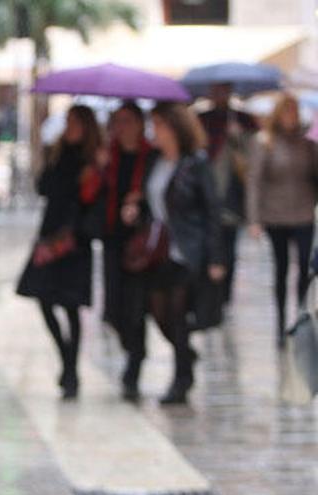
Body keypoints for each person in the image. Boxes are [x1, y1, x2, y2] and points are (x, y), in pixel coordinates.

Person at [122, 103, 225, 405]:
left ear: (174, 128)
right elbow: (152, 201)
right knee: (159, 311)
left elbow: (212, 212)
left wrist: (216, 258)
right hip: (157, 250)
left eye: (159, 125)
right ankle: (186, 357)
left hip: (186, 250)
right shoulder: (155, 161)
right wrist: (135, 208)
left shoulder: (196, 164)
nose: (154, 132)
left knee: (178, 314)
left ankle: (181, 380)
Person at [16, 105, 103, 399]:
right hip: (49, 234)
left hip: (75, 240)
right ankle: (66, 359)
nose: (69, 127)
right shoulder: (58, 152)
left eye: (74, 122)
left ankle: (71, 369)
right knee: (44, 298)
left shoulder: (94, 159)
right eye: (67, 122)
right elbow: (42, 188)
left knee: (71, 305)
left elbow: (93, 202)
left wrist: (92, 176)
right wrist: (47, 156)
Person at [247, 93, 318, 347]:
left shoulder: (307, 142)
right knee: (281, 268)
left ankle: (301, 319)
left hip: (303, 212)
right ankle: (279, 324)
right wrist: (254, 219)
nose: (291, 116)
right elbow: (254, 182)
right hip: (275, 214)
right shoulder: (265, 141)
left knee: (305, 269)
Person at [102, 101, 156, 401]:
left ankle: (134, 365)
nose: (121, 127)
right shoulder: (108, 155)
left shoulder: (151, 155)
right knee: (113, 311)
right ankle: (134, 349)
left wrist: (140, 201)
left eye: (127, 121)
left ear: (139, 123)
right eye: (117, 121)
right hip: (112, 238)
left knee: (136, 308)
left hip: (141, 242)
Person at [198, 83, 258, 307]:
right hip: (207, 190)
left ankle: (225, 296)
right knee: (210, 244)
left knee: (229, 245)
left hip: (232, 194)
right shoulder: (202, 119)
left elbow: (252, 156)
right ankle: (211, 295)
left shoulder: (243, 120)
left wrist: (237, 137)